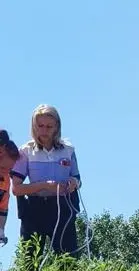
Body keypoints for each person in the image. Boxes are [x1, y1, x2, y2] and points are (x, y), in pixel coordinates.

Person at [10, 105, 82, 258]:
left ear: (57, 127)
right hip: (34, 209)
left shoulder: (68, 150)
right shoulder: (25, 151)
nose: (44, 131)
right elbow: (16, 189)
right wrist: (44, 185)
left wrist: (73, 183)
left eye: (49, 126)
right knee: (30, 260)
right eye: (40, 126)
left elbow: (77, 179)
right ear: (33, 126)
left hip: (63, 208)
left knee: (68, 260)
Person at [0, 130, 21, 247]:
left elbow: (2, 209)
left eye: (9, 169)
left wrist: (1, 231)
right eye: (3, 168)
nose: (6, 172)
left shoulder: (5, 180)